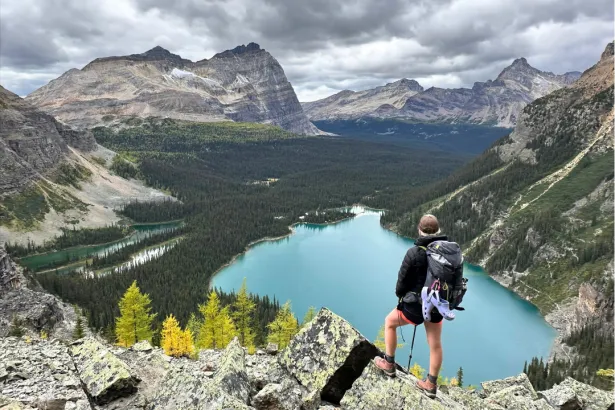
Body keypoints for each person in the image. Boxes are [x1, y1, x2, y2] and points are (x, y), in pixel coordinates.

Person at [374, 214, 453, 398]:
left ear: (419, 229)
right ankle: (431, 384)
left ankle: (389, 365)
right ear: (438, 231)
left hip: (415, 307)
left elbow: (401, 283)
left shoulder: (414, 252)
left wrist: (402, 296)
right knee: (435, 345)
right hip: (437, 306)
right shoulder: (447, 252)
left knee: (390, 323)